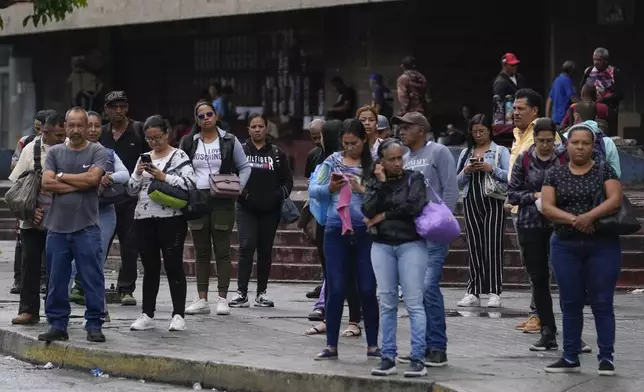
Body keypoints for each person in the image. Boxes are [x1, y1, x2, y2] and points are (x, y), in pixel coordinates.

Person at [541, 124, 622, 376]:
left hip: (602, 245)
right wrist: (576, 220)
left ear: (593, 146)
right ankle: (570, 355)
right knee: (571, 302)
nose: (580, 147)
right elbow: (546, 206)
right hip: (565, 244)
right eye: (575, 142)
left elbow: (614, 199)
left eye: (585, 143)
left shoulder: (604, 170)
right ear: (566, 145)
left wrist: (589, 217)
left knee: (602, 302)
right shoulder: (555, 173)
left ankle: (606, 357)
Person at [309, 119, 380, 360]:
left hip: (365, 231)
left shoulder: (373, 164)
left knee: (368, 288)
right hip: (335, 229)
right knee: (337, 288)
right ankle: (331, 345)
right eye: (346, 143)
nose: (350, 148)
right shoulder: (332, 161)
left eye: (355, 143)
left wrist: (362, 189)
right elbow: (314, 191)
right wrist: (329, 188)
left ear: (365, 140)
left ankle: (373, 345)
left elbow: (383, 195)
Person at [39, 107, 109, 343]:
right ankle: (58, 324)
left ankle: (94, 324)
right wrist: (80, 182)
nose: (77, 130)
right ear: (65, 126)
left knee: (92, 277)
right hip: (56, 227)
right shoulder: (55, 152)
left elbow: (94, 179)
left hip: (87, 227)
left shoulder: (97, 151)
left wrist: (62, 176)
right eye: (73, 125)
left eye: (82, 125)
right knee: (56, 279)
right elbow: (47, 183)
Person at [396, 111, 458, 367]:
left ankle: (438, 348)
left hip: (434, 231)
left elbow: (451, 188)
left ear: (421, 129)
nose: (401, 131)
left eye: (406, 127)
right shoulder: (405, 158)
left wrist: (445, 222)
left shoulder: (439, 152)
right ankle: (420, 347)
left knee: (428, 288)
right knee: (415, 292)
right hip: (412, 234)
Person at [362, 139, 428, 378]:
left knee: (413, 303)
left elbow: (413, 207)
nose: (398, 162)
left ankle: (418, 357)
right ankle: (388, 356)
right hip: (382, 246)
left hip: (411, 245)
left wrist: (384, 215)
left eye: (401, 157)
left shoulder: (414, 178)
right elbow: (367, 210)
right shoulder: (374, 182)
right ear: (382, 161)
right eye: (392, 158)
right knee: (387, 302)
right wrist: (380, 186)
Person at [180, 101, 251, 316]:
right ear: (197, 120)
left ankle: (222, 298)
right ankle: (202, 299)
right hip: (198, 198)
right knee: (201, 251)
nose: (206, 118)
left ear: (217, 116)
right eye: (201, 116)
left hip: (222, 198)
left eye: (209, 114)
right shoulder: (189, 142)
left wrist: (238, 188)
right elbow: (180, 166)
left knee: (222, 249)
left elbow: (244, 167)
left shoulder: (229, 140)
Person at [127, 116, 196, 332]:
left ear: (166, 133)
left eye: (157, 137)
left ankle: (178, 314)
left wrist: (163, 176)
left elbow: (190, 182)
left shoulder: (179, 156)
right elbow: (130, 189)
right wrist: (138, 173)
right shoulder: (144, 159)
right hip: (143, 218)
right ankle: (147, 313)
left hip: (171, 218)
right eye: (149, 139)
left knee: (173, 264)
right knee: (150, 267)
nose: (154, 143)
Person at [507, 118, 564, 351]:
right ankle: (547, 331)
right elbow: (512, 194)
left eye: (549, 141)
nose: (545, 145)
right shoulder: (525, 159)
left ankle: (573, 334)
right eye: (541, 141)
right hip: (530, 224)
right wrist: (534, 196)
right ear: (535, 139)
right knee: (538, 279)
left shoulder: (564, 158)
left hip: (560, 224)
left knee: (566, 278)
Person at [229, 114, 294, 308]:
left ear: (267, 129)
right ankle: (241, 293)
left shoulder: (277, 153)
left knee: (265, 250)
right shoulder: (239, 150)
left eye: (261, 126)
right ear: (248, 129)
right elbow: (231, 175)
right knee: (246, 246)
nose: (257, 130)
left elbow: (287, 181)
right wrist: (242, 194)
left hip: (270, 210)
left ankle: (261, 293)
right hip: (245, 207)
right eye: (253, 126)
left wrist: (275, 196)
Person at [9, 113, 67, 325]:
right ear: (45, 131)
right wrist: (29, 211)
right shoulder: (31, 149)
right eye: (58, 134)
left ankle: (56, 312)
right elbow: (16, 189)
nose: (63, 138)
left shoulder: (72, 148)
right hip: (33, 220)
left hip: (63, 221)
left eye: (65, 133)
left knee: (59, 269)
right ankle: (29, 310)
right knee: (30, 267)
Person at [69, 111, 130, 307]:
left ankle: (95, 302)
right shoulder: (67, 151)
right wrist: (90, 178)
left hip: (104, 211)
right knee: (72, 254)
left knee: (98, 254)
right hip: (77, 210)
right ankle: (68, 294)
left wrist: (108, 177)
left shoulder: (108, 153)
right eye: (90, 125)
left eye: (97, 126)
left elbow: (125, 175)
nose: (93, 130)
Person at [99, 91, 149, 306]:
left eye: (122, 106)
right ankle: (91, 286)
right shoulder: (101, 133)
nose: (118, 111)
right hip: (105, 198)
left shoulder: (138, 130)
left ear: (127, 108)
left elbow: (150, 160)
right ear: (107, 109)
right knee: (99, 244)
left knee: (130, 245)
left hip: (131, 196)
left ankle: (126, 289)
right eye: (113, 107)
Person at [455, 114, 510, 308]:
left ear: (490, 131)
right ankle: (473, 291)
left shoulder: (500, 151)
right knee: (474, 245)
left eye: (482, 131)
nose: (478, 135)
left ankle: (494, 291)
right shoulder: (466, 153)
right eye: (475, 131)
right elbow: (457, 181)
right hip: (471, 200)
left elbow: (510, 177)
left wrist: (490, 168)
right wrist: (467, 171)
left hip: (493, 201)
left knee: (493, 245)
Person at [564, 103, 621, 178]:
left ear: (576, 116)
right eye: (576, 143)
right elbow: (616, 173)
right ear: (596, 117)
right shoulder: (607, 141)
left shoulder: (566, 137)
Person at [580, 47, 622, 136]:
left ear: (605, 60)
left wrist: (604, 100)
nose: (595, 62)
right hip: (589, 109)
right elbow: (581, 88)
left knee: (608, 135)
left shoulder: (614, 72)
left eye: (599, 60)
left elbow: (620, 94)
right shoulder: (589, 71)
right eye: (594, 59)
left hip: (608, 110)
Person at [546, 61, 577, 125]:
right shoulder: (567, 80)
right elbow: (572, 98)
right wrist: (584, 104)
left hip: (555, 118)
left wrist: (547, 117)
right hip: (564, 119)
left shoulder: (557, 80)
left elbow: (549, 100)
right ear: (571, 70)